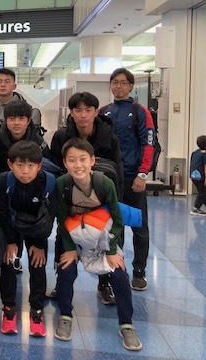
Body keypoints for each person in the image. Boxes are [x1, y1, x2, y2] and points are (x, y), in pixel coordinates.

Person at [54, 138, 142, 351]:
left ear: (92, 160)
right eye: (72, 160)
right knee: (66, 269)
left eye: (83, 159)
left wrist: (111, 251)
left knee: (119, 274)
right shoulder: (62, 184)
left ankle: (126, 324)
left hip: (103, 236)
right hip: (76, 235)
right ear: (65, 163)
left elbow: (117, 220)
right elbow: (62, 220)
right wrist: (70, 249)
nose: (78, 165)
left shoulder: (104, 183)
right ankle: (65, 316)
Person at [50, 92, 123, 305]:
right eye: (78, 110)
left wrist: (115, 201)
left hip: (100, 201)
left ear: (96, 112)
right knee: (63, 236)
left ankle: (104, 283)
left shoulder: (109, 136)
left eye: (88, 110)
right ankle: (61, 281)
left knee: (104, 238)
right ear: (71, 113)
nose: (83, 115)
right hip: (71, 199)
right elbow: (55, 168)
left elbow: (117, 170)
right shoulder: (61, 137)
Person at [0, 141, 55, 337]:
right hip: (12, 225)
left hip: (37, 228)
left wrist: (39, 244)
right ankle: (9, 309)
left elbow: (49, 217)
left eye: (31, 165)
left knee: (38, 264)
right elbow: (3, 214)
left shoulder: (49, 182)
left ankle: (36, 311)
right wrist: (10, 242)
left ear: (39, 166)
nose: (25, 171)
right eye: (19, 165)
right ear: (10, 164)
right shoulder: (3, 181)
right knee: (8, 262)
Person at [102, 68, 155, 291]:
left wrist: (143, 174)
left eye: (123, 83)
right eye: (115, 82)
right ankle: (115, 270)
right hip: (110, 179)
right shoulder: (104, 112)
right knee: (114, 226)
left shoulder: (140, 112)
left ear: (131, 86)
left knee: (139, 226)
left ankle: (139, 270)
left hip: (134, 178)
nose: (118, 86)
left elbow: (148, 144)